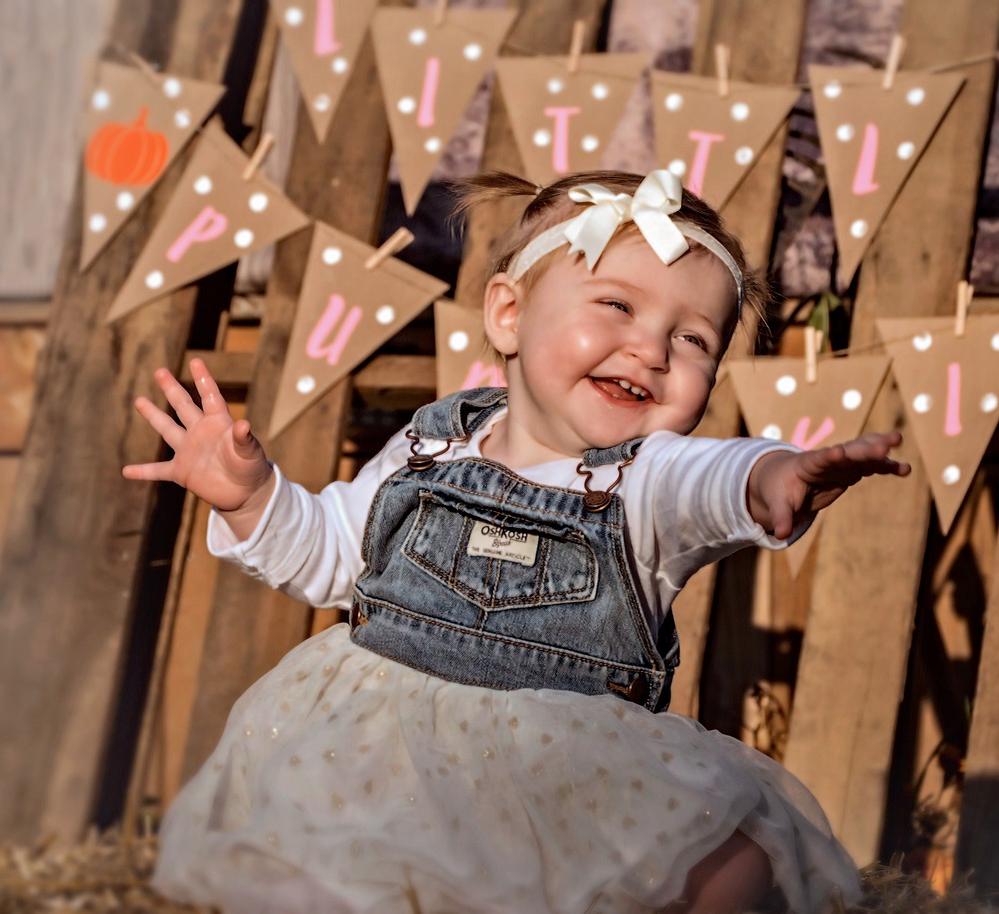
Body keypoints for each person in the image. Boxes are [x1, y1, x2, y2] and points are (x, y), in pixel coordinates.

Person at [124, 169, 910, 914]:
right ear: (508, 313)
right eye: (616, 305)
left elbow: (711, 478)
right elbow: (336, 553)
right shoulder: (433, 444)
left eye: (695, 340)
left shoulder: (644, 479)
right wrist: (253, 497)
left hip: (570, 781)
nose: (652, 349)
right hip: (383, 762)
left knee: (734, 869)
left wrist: (775, 476)